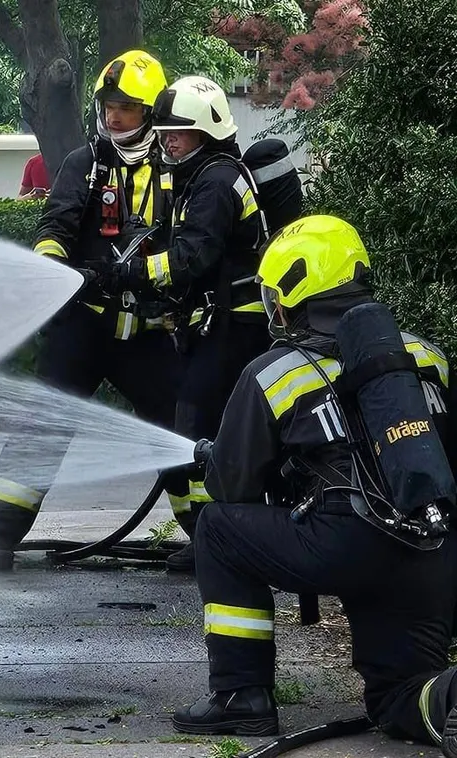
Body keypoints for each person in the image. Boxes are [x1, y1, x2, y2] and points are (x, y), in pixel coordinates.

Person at [172, 215, 457, 753]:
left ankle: (241, 696)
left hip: (341, 543)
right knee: (399, 697)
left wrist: (224, 456)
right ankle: (449, 697)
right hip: (431, 548)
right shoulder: (426, 357)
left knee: (218, 529)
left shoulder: (275, 372)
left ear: (291, 292)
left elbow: (230, 487)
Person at [0, 50, 187, 571]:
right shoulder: (84, 163)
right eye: (108, 105)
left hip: (146, 331)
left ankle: (208, 538)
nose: (114, 116)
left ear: (152, 111)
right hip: (85, 324)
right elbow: (55, 227)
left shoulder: (176, 167)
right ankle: (0, 536)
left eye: (127, 108)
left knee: (179, 430)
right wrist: (59, 276)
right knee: (42, 427)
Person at [104, 75, 271, 572]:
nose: (168, 139)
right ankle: (220, 532)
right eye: (167, 130)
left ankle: (213, 540)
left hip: (236, 324)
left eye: (180, 132)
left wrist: (135, 271)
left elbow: (192, 257)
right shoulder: (203, 175)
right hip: (220, 322)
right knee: (206, 423)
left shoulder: (216, 181)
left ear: (207, 132)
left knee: (195, 419)